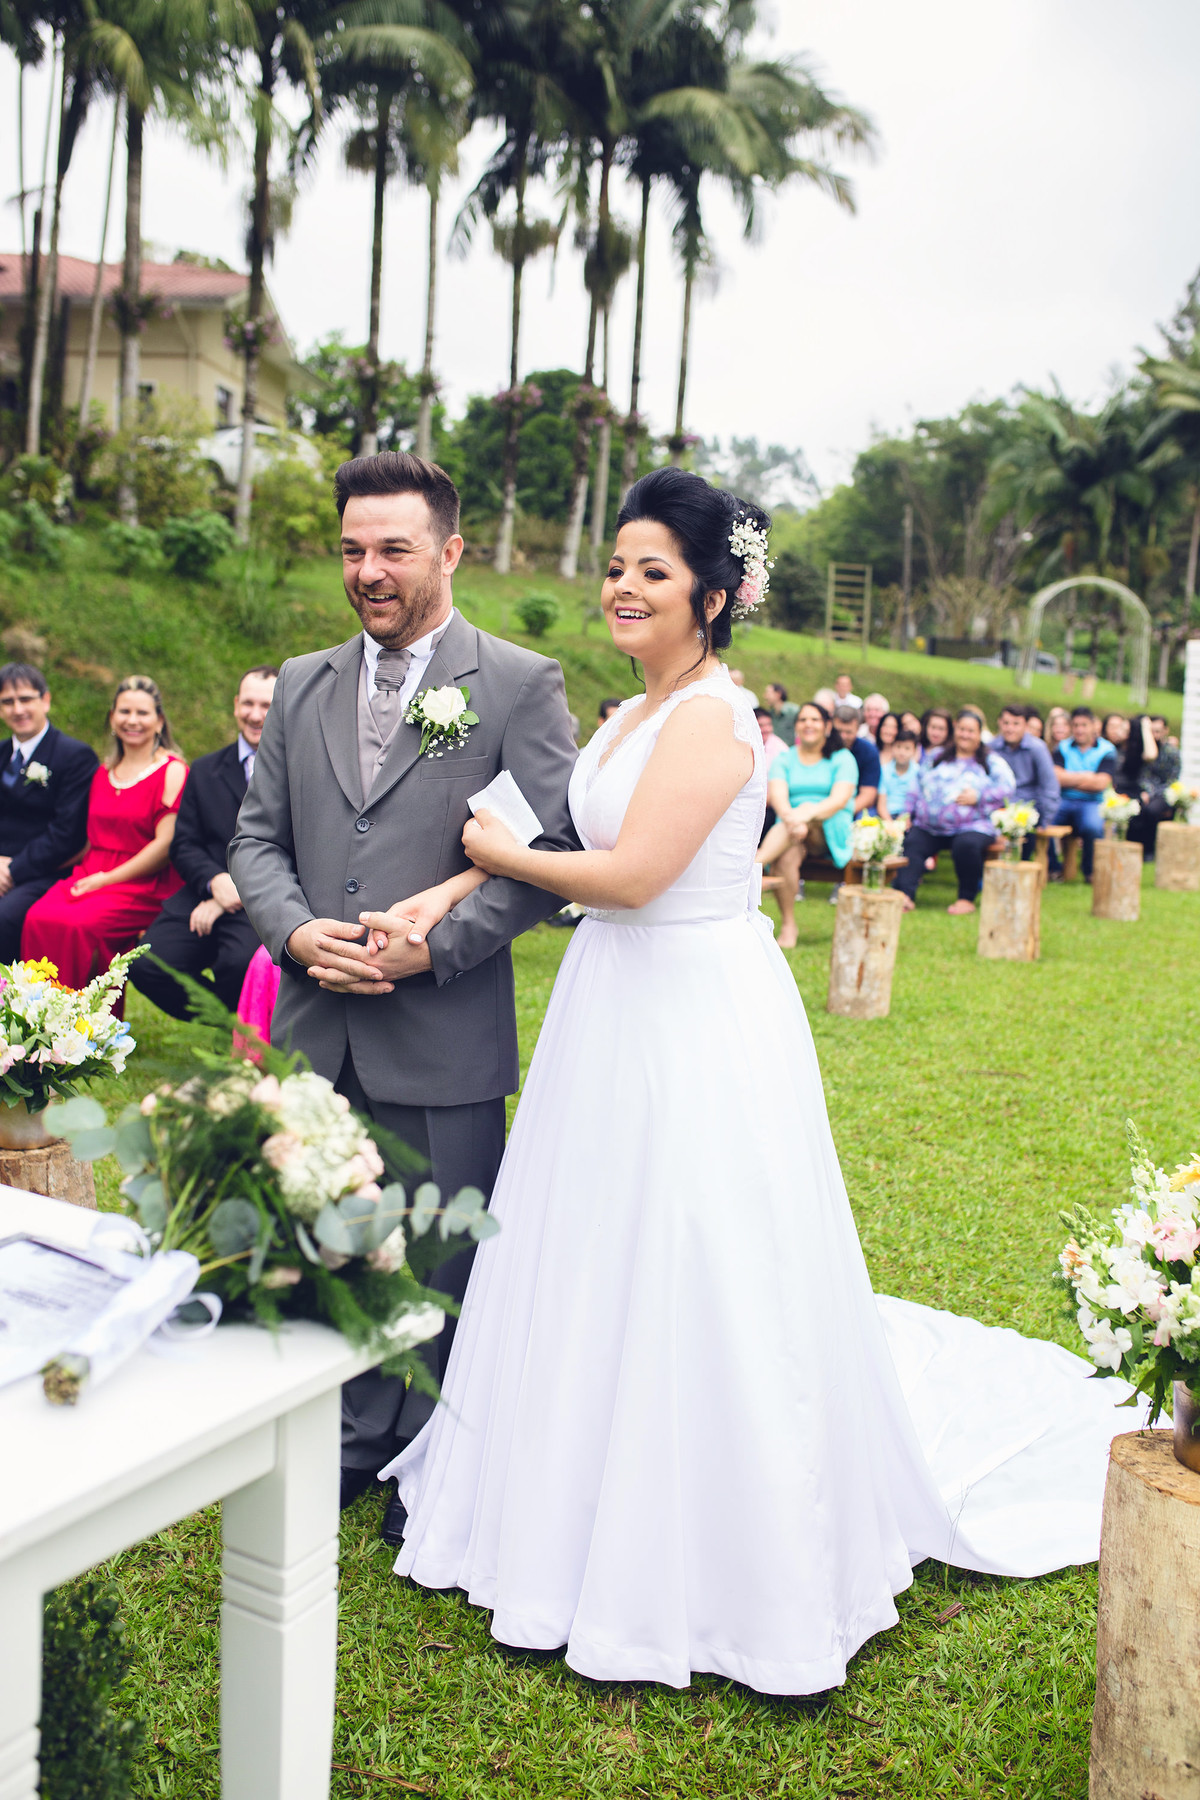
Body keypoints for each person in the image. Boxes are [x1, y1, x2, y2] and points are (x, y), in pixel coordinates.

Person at [379, 466, 1138, 1697]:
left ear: (715, 595)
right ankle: (549, 1510)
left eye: (653, 572)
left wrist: (498, 851)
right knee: (589, 1246)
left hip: (690, 1007)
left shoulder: (719, 719)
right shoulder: (630, 714)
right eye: (619, 567)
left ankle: (708, 1552)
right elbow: (576, 842)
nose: (624, 588)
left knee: (700, 1250)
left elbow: (631, 876)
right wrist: (457, 885)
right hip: (612, 1006)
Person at [228, 450, 578, 1537]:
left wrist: (434, 948)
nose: (368, 571)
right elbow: (257, 839)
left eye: (392, 549)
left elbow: (549, 852)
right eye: (351, 550)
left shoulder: (519, 683)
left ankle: (424, 1451)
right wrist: (294, 932)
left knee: (437, 1246)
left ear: (451, 551)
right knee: (327, 1231)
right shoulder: (301, 680)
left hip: (441, 1024)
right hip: (315, 1017)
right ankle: (332, 1429)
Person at [128, 667, 278, 1020]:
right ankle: (231, 1024)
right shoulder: (205, 768)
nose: (255, 716)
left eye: (267, 705)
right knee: (147, 964)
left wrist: (235, 892)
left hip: (265, 898)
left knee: (238, 964)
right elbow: (184, 844)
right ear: (235, 705)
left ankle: (247, 1035)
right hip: (202, 892)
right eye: (248, 704)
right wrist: (214, 884)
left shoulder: (298, 769)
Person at [21, 677, 187, 985]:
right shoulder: (103, 773)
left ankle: (85, 1020)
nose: (132, 720)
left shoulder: (172, 770)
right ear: (112, 717)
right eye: (124, 712)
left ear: (160, 721)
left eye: (143, 713)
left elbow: (166, 845)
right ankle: (41, 1018)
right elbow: (89, 838)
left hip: (142, 881)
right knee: (37, 917)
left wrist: (107, 879)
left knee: (77, 925)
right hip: (91, 872)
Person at [0, 661, 98, 961]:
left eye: (26, 699)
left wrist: (12, 870)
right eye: (8, 702)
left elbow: (67, 835)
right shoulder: (1, 752)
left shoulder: (75, 756)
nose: (18, 709)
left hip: (46, 871)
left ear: (46, 700)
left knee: (4, 917)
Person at [892, 710, 1014, 914]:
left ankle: (966, 898)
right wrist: (906, 814)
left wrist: (980, 796)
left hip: (973, 825)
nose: (965, 735)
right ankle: (905, 895)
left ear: (979, 734)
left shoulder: (990, 760)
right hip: (929, 826)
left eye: (971, 731)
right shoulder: (937, 756)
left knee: (966, 845)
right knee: (913, 842)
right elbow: (916, 785)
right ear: (955, 730)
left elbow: (1008, 787)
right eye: (962, 729)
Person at [755, 701, 856, 947]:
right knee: (786, 857)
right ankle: (789, 924)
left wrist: (806, 814)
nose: (808, 724)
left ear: (827, 726)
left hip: (829, 827)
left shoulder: (843, 759)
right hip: (792, 831)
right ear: (796, 726)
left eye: (815, 719)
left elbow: (838, 800)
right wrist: (794, 819)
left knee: (803, 815)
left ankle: (755, 865)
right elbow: (778, 798)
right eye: (802, 719)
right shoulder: (785, 759)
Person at [1051, 707, 1116, 880]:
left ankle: (1089, 871)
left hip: (1092, 802)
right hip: (1063, 800)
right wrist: (1086, 777)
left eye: (1084, 725)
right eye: (1076, 725)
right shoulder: (1062, 747)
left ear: (1093, 726)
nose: (1079, 730)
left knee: (1093, 826)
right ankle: (1053, 868)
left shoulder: (1107, 749)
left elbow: (1101, 783)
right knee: (1044, 820)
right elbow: (1056, 777)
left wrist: (1069, 779)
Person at [992, 702, 1060, 848]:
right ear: (999, 723)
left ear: (1025, 726)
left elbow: (1049, 785)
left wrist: (1046, 819)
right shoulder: (991, 747)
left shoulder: (1037, 748)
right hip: (998, 804)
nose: (1010, 728)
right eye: (1006, 723)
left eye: (1016, 724)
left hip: (1029, 808)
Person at [1120, 713, 1181, 860]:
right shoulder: (1141, 748)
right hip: (1143, 791)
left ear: (1166, 730)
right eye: (1152, 731)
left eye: (1158, 731)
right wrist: (1144, 791)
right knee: (1138, 807)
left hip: (1163, 793)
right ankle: (1134, 846)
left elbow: (1172, 780)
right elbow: (1142, 776)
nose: (1155, 735)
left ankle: (1149, 849)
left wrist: (1152, 793)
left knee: (1152, 810)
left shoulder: (1172, 753)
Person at [831, 704, 879, 816]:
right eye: (838, 731)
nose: (842, 736)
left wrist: (841, 813)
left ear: (857, 729)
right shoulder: (821, 747)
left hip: (853, 806)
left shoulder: (868, 751)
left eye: (848, 732)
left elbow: (868, 795)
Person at [877, 728, 921, 822]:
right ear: (892, 747)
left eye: (907, 748)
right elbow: (881, 804)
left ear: (914, 751)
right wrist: (890, 824)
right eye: (898, 747)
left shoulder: (918, 772)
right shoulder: (884, 770)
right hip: (888, 815)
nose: (902, 752)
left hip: (910, 816)